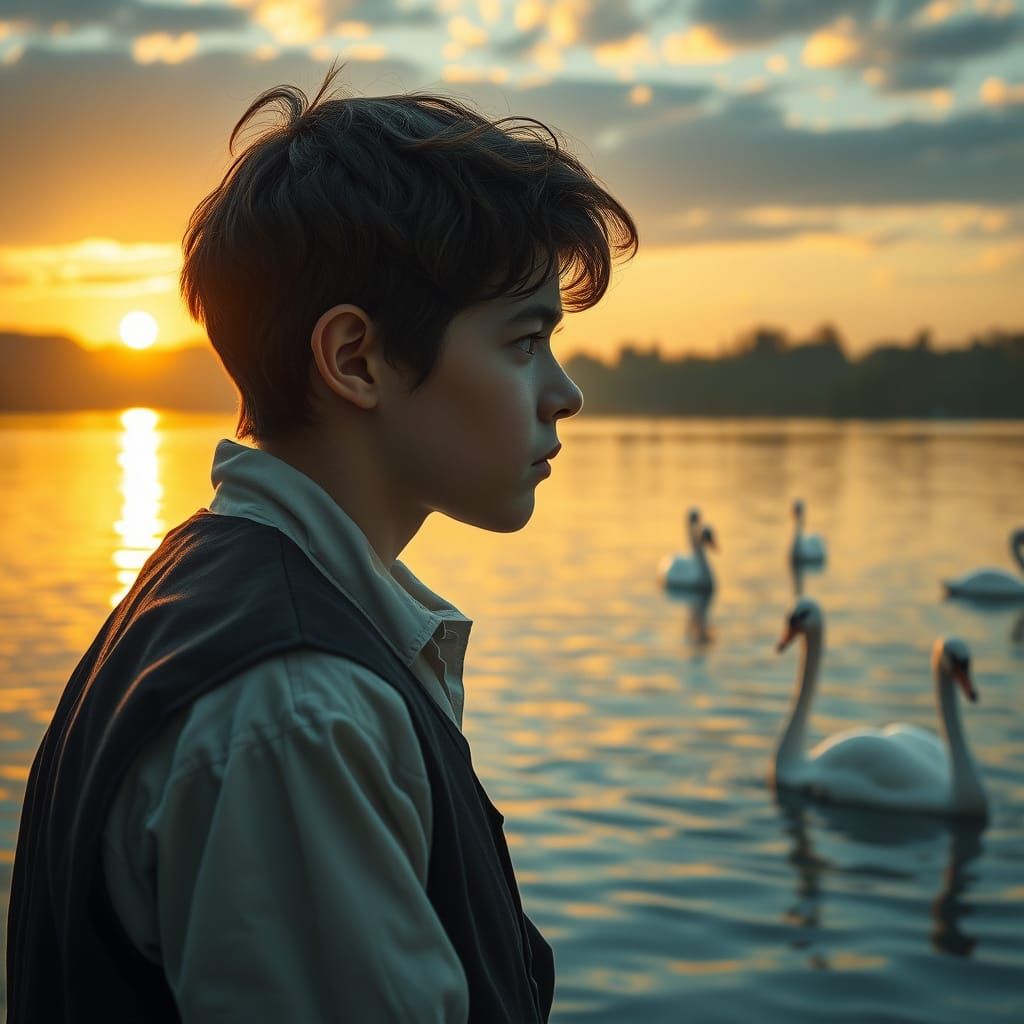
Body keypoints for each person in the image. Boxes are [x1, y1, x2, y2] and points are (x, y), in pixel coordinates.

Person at [6, 64, 637, 1022]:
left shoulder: (211, 584)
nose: (565, 393)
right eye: (522, 342)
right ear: (354, 359)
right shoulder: (297, 711)